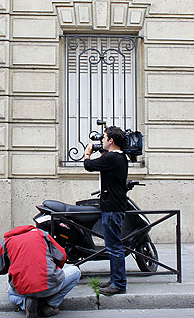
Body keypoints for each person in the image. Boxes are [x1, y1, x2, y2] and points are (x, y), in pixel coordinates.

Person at [0, 225, 81, 318]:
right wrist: (55, 267)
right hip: (48, 285)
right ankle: (50, 305)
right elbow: (62, 256)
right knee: (76, 271)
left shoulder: (6, 241)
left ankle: (25, 303)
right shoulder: (41, 234)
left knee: (11, 293)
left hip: (22, 289)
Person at [83, 126, 128, 296]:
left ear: (111, 141)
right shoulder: (119, 157)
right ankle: (115, 278)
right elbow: (104, 166)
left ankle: (118, 283)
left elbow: (89, 166)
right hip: (115, 206)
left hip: (112, 208)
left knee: (114, 246)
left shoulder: (112, 158)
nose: (101, 141)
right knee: (113, 245)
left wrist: (87, 153)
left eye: (104, 137)